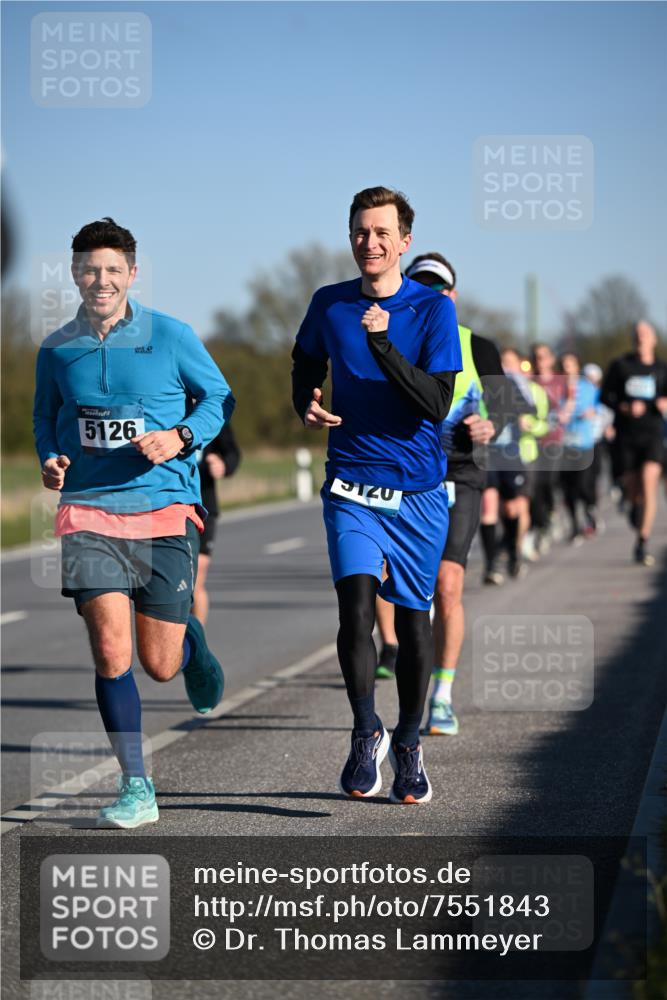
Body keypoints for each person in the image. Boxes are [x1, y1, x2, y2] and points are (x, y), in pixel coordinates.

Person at [33, 217, 234, 829]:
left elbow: (219, 399)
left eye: (113, 270)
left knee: (161, 664)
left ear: (132, 274)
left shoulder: (171, 336)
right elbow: (46, 417)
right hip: (90, 512)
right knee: (110, 650)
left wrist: (180, 437)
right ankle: (136, 786)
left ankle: (193, 644)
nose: (101, 280)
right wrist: (50, 457)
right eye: (90, 269)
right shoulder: (56, 348)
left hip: (164, 509)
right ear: (74, 272)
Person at [291, 187, 462, 804]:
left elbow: (436, 401)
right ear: (351, 236)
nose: (371, 242)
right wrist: (305, 399)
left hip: (416, 489)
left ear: (404, 240)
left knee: (415, 626)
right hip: (351, 483)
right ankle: (367, 729)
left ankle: (410, 742)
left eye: (383, 232)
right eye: (361, 231)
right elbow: (304, 358)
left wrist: (385, 343)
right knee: (356, 612)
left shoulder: (431, 310)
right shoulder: (329, 303)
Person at [399, 253, 502, 737]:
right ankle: (399, 668)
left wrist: (489, 424)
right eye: (421, 287)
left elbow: (504, 413)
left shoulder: (479, 348)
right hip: (405, 475)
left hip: (461, 472)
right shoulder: (396, 343)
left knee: (448, 586)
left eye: (439, 289)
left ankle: (441, 695)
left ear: (453, 296)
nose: (431, 296)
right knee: (399, 587)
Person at [601, 321, 667, 565]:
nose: (641, 338)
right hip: (626, 436)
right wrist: (625, 406)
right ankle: (633, 506)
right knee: (633, 487)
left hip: (652, 434)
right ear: (633, 339)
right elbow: (605, 396)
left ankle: (642, 541)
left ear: (653, 339)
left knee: (650, 481)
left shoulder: (662, 368)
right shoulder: (621, 366)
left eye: (645, 334)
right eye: (637, 334)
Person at [479, 349, 548, 581]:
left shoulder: (518, 385)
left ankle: (512, 552)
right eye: (502, 362)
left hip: (510, 454)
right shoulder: (483, 381)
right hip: (487, 453)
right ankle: (491, 566)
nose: (505, 367)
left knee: (511, 508)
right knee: (488, 507)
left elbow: (531, 411)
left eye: (510, 363)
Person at [192, 423, 241, 623]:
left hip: (204, 505)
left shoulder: (209, 408)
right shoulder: (164, 406)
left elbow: (233, 453)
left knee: (195, 581)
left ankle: (196, 646)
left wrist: (223, 465)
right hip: (169, 506)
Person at [530, 342, 572, 552]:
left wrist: (566, 413)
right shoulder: (530, 381)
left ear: (551, 359)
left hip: (554, 439)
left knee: (550, 481)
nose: (540, 360)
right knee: (536, 484)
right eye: (536, 356)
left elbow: (571, 399)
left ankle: (553, 513)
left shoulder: (559, 380)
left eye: (544, 356)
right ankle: (542, 523)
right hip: (534, 440)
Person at [559, 352, 601, 542]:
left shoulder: (588, 387)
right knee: (568, 488)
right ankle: (574, 525)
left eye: (571, 365)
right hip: (563, 445)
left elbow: (599, 407)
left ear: (577, 367)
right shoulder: (557, 388)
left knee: (584, 484)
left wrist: (592, 412)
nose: (567, 370)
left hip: (584, 442)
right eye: (564, 366)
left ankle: (590, 509)